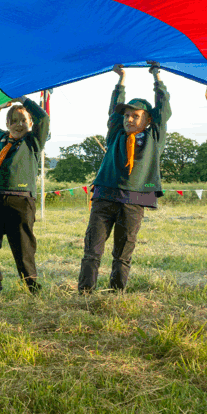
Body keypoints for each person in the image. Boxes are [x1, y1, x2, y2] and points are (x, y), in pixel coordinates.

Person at [78, 63, 170, 293]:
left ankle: (116, 293)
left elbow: (163, 109)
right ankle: (85, 293)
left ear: (148, 120)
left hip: (135, 200)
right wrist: (121, 81)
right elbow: (113, 112)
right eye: (127, 116)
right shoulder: (115, 136)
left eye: (135, 116)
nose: (129, 120)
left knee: (122, 253)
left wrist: (157, 78)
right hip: (105, 196)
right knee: (93, 250)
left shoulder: (154, 138)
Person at [0, 97, 50, 293]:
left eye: (23, 120)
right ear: (7, 123)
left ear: (30, 123)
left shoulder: (33, 141)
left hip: (21, 200)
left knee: (23, 248)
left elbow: (43, 118)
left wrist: (24, 101)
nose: (19, 125)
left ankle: (31, 286)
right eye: (14, 121)